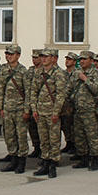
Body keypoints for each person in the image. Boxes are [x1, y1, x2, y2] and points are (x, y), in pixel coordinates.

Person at [31, 48, 67, 178]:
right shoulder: (38, 73)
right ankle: (45, 163)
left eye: (47, 56)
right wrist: (34, 110)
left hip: (52, 112)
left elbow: (60, 95)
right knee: (43, 140)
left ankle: (53, 165)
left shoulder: (58, 74)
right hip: (40, 112)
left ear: (53, 58)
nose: (44, 59)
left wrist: (56, 112)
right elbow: (33, 92)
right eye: (42, 56)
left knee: (54, 140)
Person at [0, 44, 29, 173]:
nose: (8, 56)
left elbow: (28, 92)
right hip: (7, 109)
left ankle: (22, 162)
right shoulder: (3, 70)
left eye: (11, 54)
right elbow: (0, 89)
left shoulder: (23, 71)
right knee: (9, 136)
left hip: (19, 109)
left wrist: (26, 110)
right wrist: (1, 106)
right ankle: (13, 160)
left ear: (18, 55)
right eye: (7, 54)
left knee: (21, 136)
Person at [70, 50, 98, 171]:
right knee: (79, 135)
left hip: (89, 109)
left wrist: (85, 79)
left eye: (84, 59)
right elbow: (70, 88)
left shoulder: (95, 73)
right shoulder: (76, 73)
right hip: (77, 108)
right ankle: (83, 158)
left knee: (91, 135)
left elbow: (97, 91)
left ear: (91, 60)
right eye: (80, 60)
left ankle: (94, 159)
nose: (82, 61)